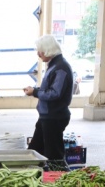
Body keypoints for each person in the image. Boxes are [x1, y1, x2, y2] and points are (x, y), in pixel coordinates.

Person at [23, 34, 73, 171]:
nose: (38, 54)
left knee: (53, 155)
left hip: (54, 117)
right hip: (46, 117)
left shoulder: (61, 67)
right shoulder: (54, 65)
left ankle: (60, 180)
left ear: (48, 50)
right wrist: (35, 90)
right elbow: (50, 89)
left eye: (40, 51)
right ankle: (32, 177)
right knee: (35, 150)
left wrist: (35, 92)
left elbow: (55, 93)